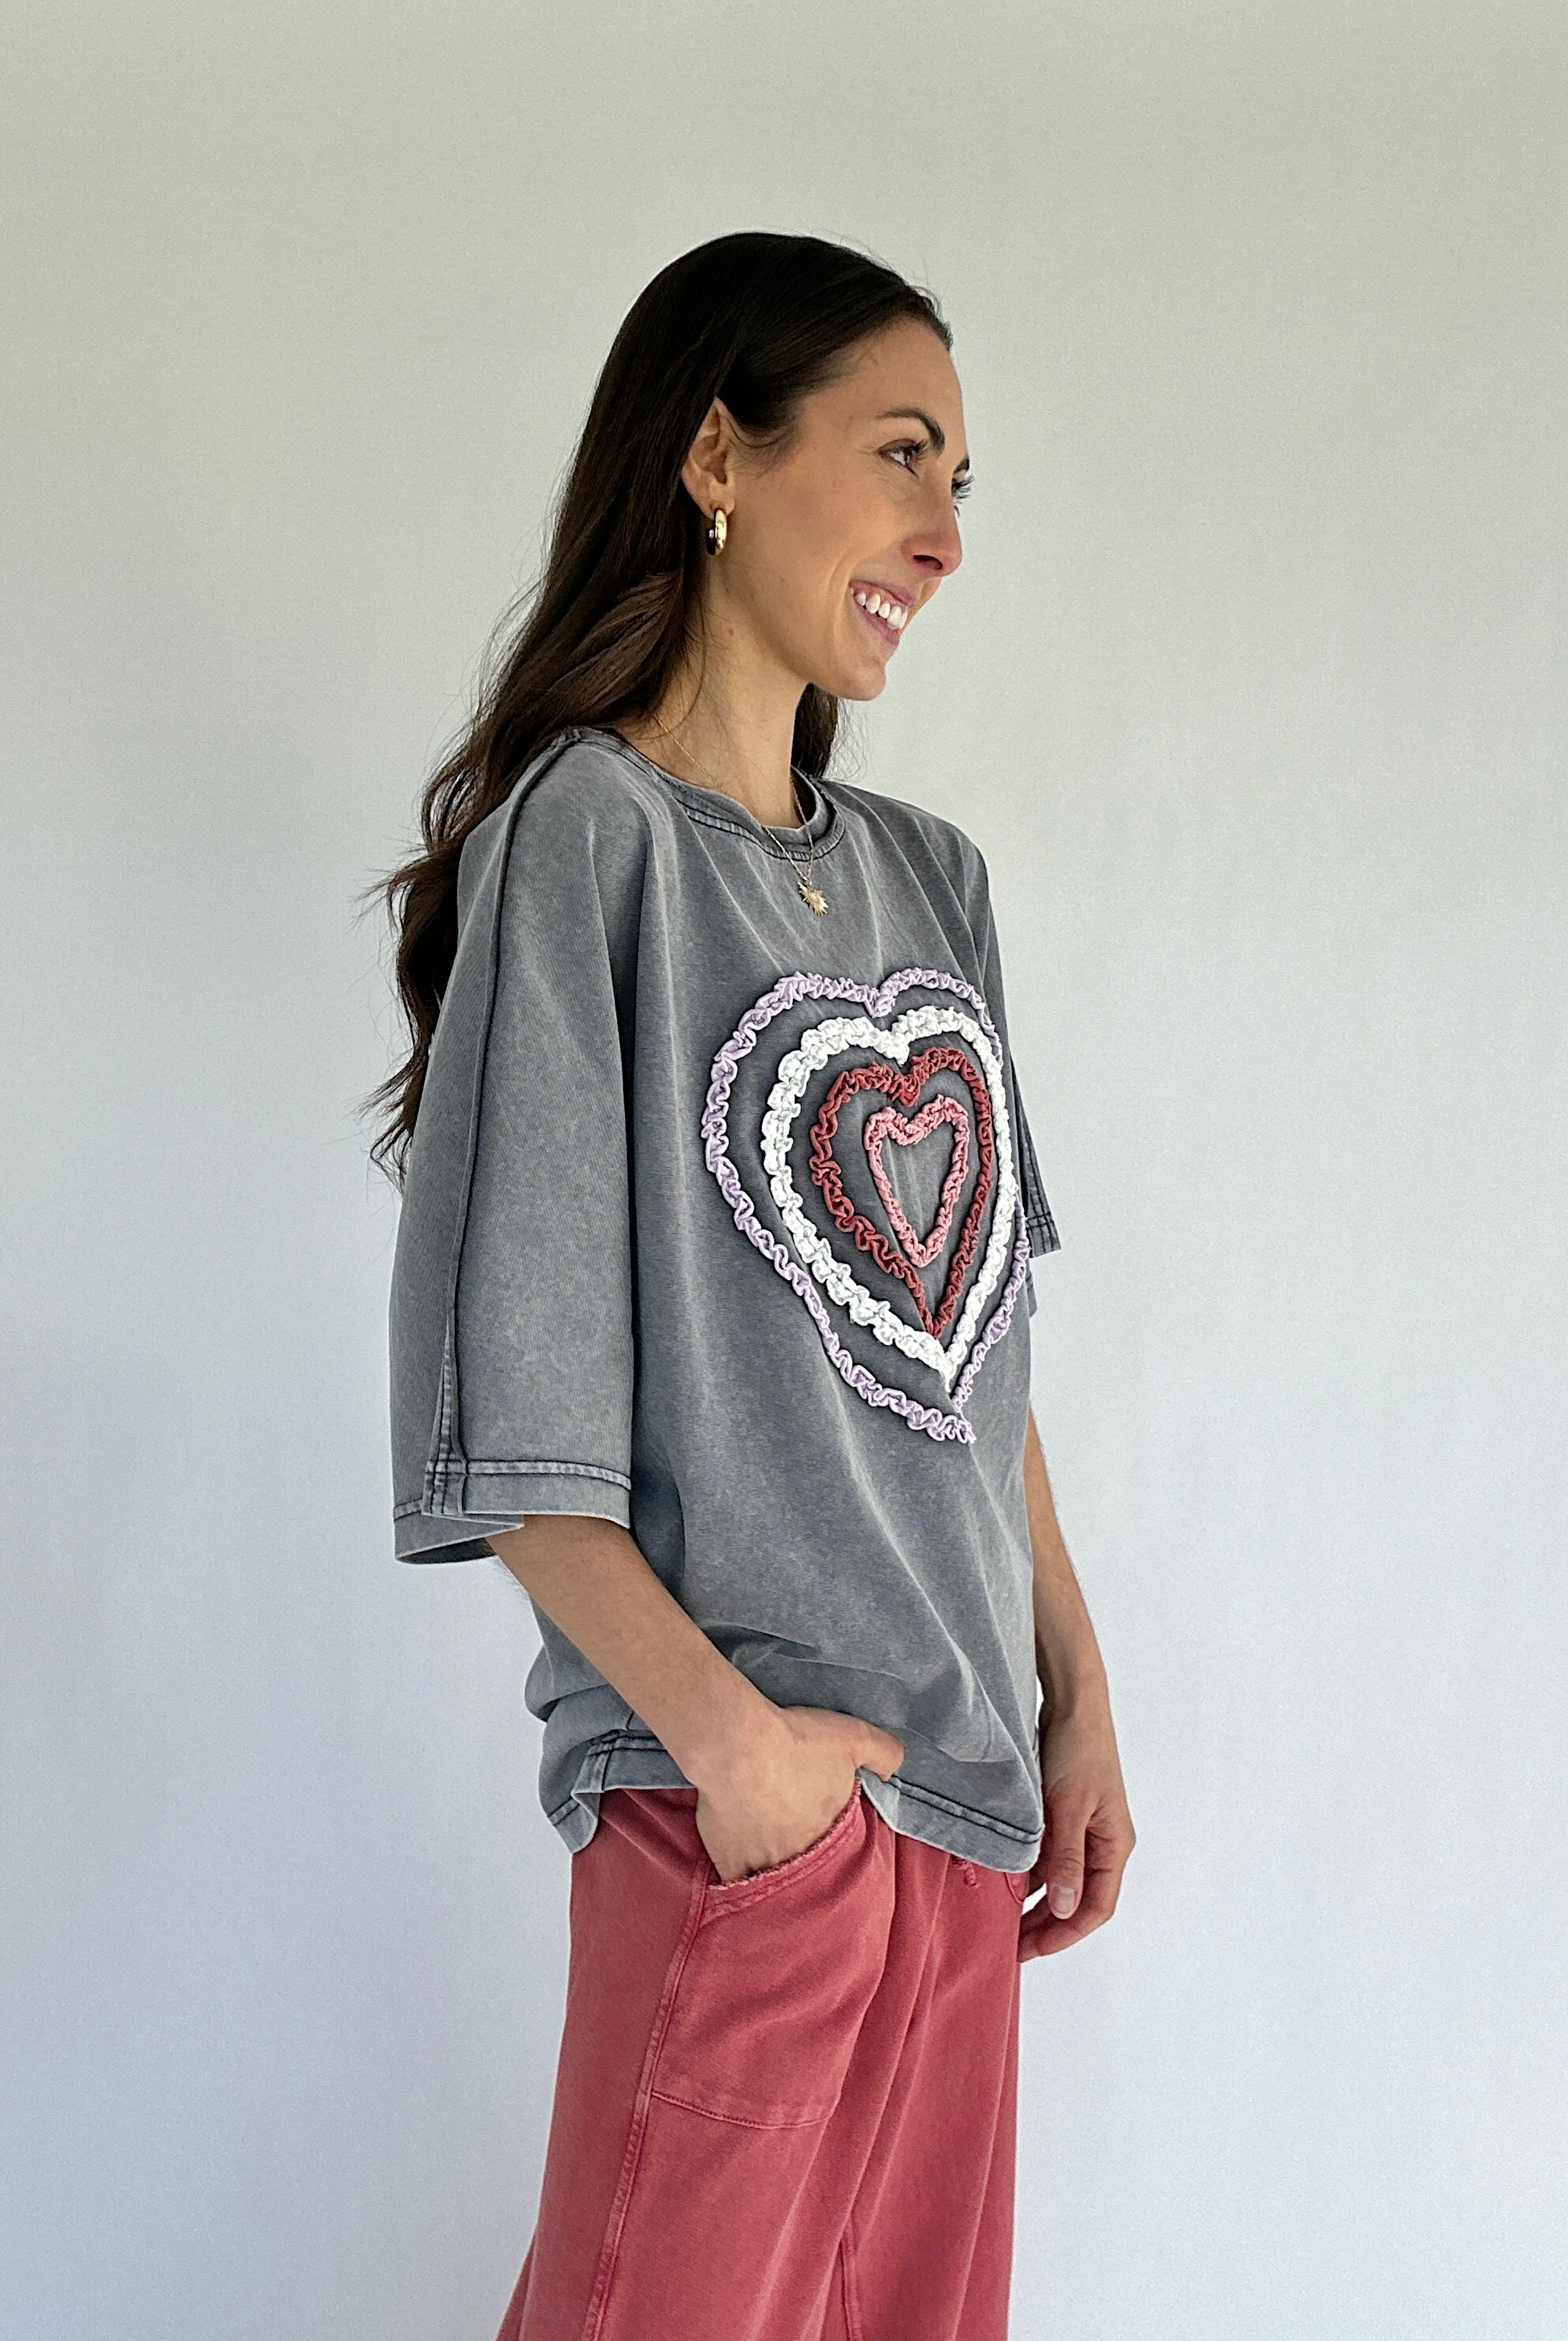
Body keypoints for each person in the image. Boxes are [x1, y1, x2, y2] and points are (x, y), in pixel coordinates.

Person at [368, 230, 1135, 2341]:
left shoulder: (931, 882)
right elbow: (506, 1419)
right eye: (904, 457)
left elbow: (979, 1348)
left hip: (965, 1818)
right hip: (751, 1813)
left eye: (967, 481)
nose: (944, 535)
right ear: (719, 449)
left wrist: (1077, 1689)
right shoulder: (587, 844)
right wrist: (740, 1763)